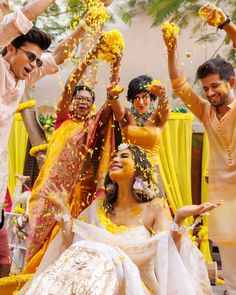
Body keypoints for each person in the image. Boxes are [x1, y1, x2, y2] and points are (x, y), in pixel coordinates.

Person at [19, 144, 220, 294]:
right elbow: (73, 244)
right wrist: (63, 210)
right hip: (90, 280)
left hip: (133, 285)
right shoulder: (99, 205)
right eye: (114, 155)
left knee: (102, 250)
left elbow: (168, 253)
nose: (115, 158)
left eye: (124, 156)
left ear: (140, 168)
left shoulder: (154, 208)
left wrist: (179, 218)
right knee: (85, 251)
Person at [0, 0, 100, 222]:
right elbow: (24, 16)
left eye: (37, 60)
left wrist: (87, 21)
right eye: (31, 57)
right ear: (10, 48)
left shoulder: (23, 78)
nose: (35, 64)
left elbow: (58, 56)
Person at [24, 41, 118, 273]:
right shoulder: (62, 119)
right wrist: (89, 57)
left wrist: (116, 65)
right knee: (39, 231)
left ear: (92, 105)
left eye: (88, 100)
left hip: (77, 192)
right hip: (49, 188)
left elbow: (110, 103)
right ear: (72, 101)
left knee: (70, 235)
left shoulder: (92, 124)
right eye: (79, 98)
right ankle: (34, 275)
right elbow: (69, 85)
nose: (83, 102)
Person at [162, 15, 236, 294]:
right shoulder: (205, 111)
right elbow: (179, 85)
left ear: (231, 81)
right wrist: (172, 49)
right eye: (205, 88)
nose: (210, 92)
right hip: (220, 191)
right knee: (228, 248)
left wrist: (226, 24)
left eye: (215, 86)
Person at [107, 71, 169, 198]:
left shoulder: (157, 117)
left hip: (151, 171)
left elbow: (164, 107)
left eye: (145, 97)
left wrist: (163, 96)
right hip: (127, 169)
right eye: (136, 97)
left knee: (154, 208)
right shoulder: (126, 115)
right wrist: (112, 95)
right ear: (131, 99)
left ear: (151, 97)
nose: (141, 102)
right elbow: (114, 102)